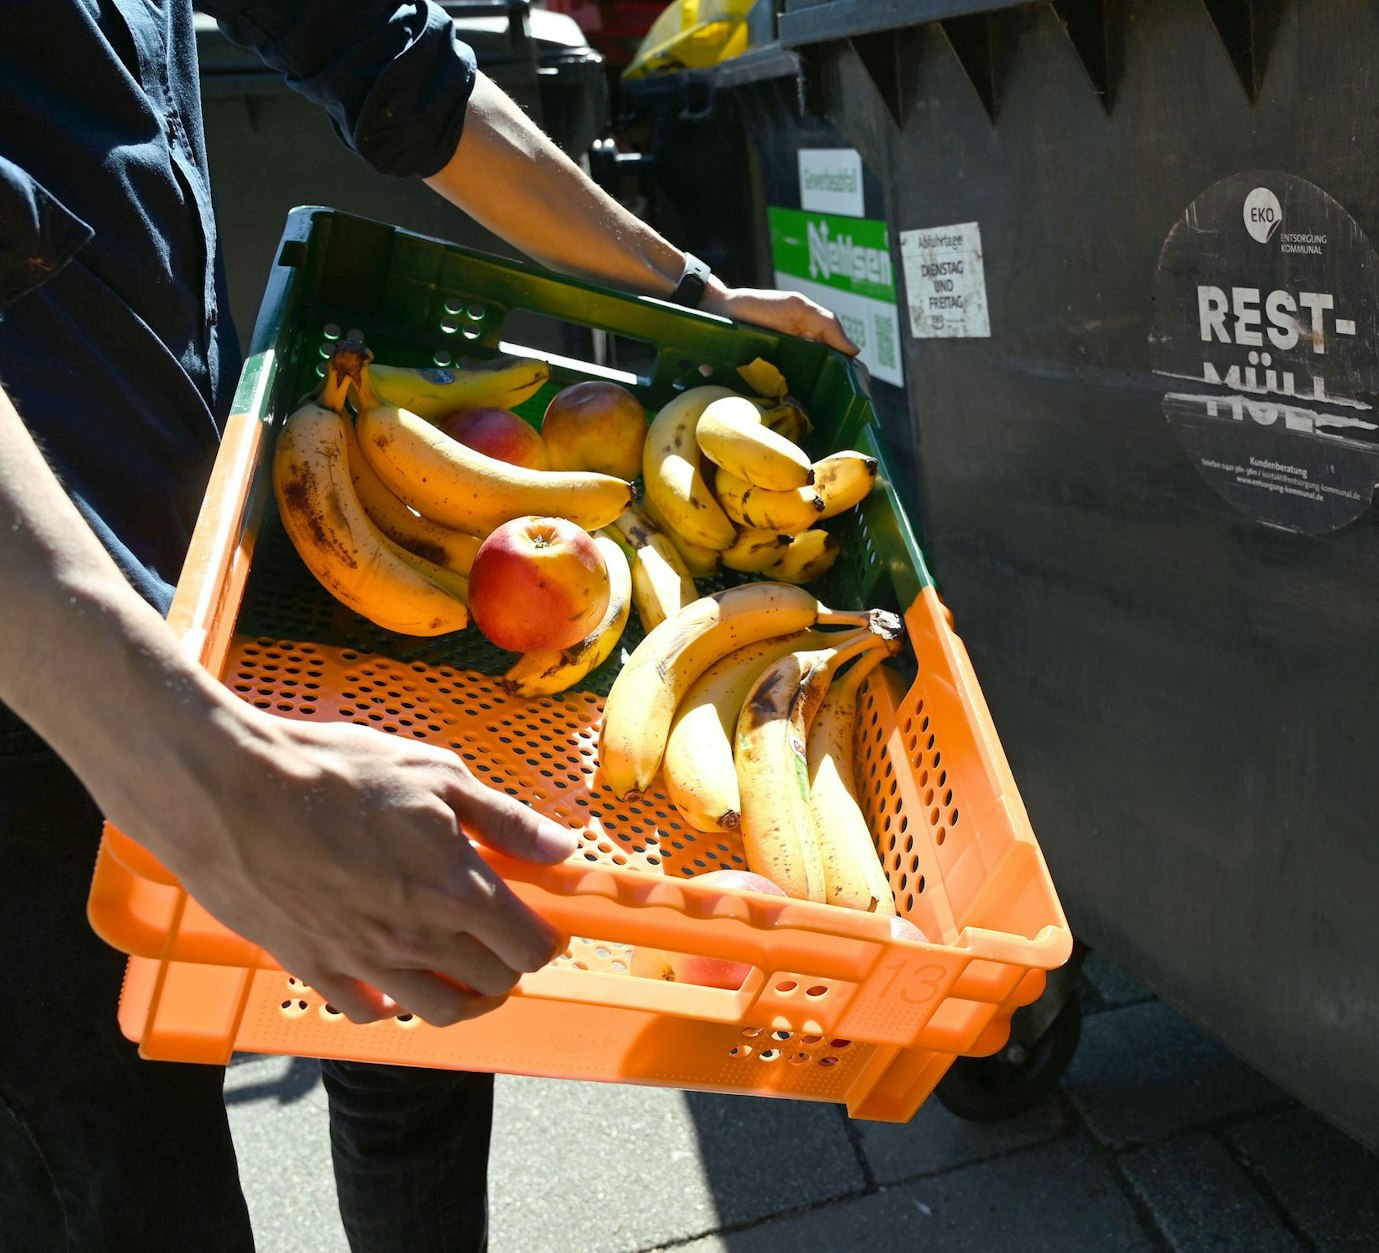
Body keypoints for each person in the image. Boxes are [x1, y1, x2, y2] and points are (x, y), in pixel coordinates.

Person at [0, 2, 856, 1249]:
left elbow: (396, 65)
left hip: (213, 554)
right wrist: (197, 767)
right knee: (129, 1185)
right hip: (31, 682)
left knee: (417, 1028)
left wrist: (685, 289)